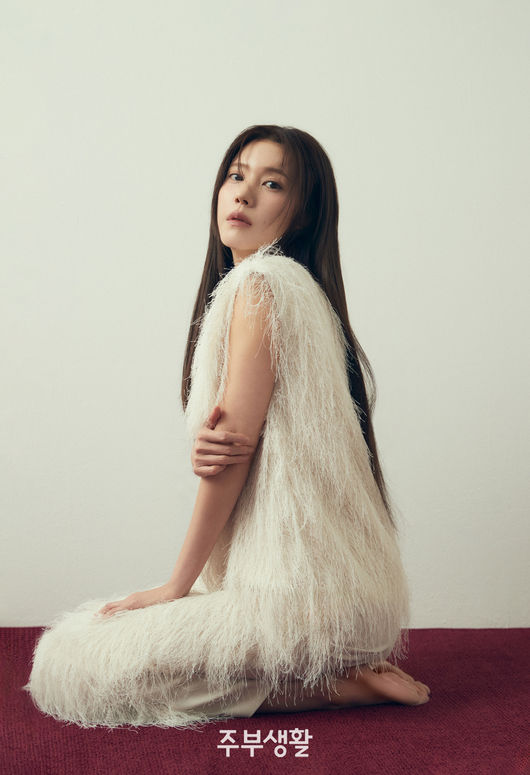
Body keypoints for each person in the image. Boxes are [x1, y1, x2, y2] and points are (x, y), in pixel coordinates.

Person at [23, 125, 430, 729]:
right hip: (341, 601)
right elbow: (250, 446)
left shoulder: (260, 284)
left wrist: (175, 585)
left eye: (272, 184)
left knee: (71, 664)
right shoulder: (300, 290)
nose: (243, 193)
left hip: (300, 605)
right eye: (236, 175)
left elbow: (233, 454)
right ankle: (330, 667)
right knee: (93, 638)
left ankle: (330, 684)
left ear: (303, 212)